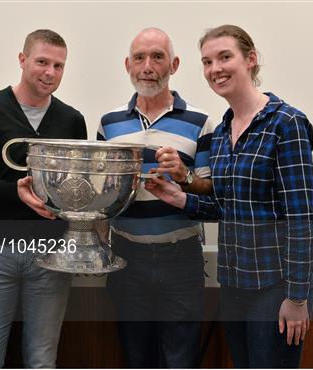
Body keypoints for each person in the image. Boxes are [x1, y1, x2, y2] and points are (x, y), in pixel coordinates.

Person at [146, 24, 313, 368]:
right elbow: (225, 206)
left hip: (276, 287)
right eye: (207, 62)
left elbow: (300, 219)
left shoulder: (286, 123)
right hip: (234, 283)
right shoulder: (222, 130)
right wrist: (177, 197)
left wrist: (297, 298)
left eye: (225, 57)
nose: (215, 69)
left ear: (250, 59)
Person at [0, 29, 87, 368]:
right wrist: (14, 192)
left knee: (42, 360)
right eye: (42, 62)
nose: (50, 73)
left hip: (50, 257)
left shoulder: (72, 120)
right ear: (22, 59)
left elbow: (77, 190)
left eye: (59, 66)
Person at [97, 28, 214, 368]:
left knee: (181, 359)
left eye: (157, 57)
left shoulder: (201, 122)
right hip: (126, 257)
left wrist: (184, 176)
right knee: (136, 357)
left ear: (174, 64)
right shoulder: (109, 123)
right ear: (127, 65)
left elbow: (211, 194)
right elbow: (104, 198)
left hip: (180, 259)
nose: (147, 66)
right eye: (139, 58)